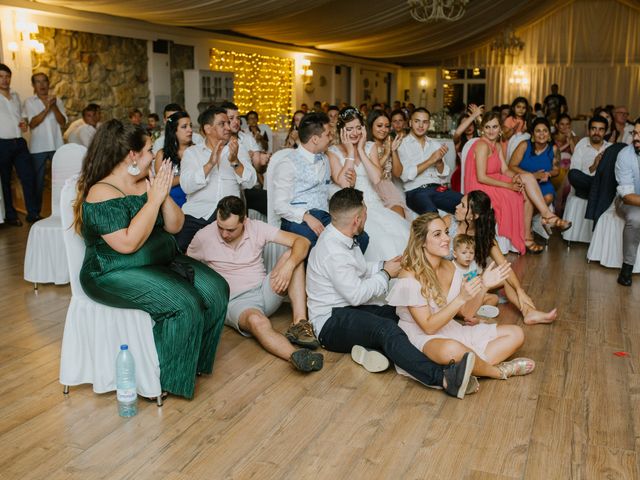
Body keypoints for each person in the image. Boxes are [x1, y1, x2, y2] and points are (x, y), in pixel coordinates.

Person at [73, 119, 229, 399]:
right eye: (148, 150)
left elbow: (176, 226)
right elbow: (128, 242)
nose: (153, 155)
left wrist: (162, 192)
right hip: (111, 272)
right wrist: (153, 200)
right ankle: (167, 379)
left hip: (157, 261)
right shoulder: (101, 192)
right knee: (184, 304)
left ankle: (193, 362)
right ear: (132, 155)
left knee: (217, 289)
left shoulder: (144, 182)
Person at [306, 188, 478, 399]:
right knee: (385, 329)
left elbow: (357, 269)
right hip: (329, 322)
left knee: (399, 313)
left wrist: (384, 264)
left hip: (347, 310)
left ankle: (407, 352)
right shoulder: (332, 250)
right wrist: (387, 273)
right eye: (366, 212)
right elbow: (357, 295)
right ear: (357, 219)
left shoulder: (341, 236)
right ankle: (443, 378)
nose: (368, 216)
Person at [387, 213, 534, 382]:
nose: (446, 238)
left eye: (446, 232)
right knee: (452, 349)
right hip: (421, 336)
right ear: (422, 242)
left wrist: (484, 285)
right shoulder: (409, 275)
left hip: (451, 329)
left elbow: (467, 313)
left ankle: (467, 368)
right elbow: (428, 327)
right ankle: (498, 371)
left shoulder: (450, 267)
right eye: (437, 234)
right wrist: (460, 298)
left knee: (516, 333)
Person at [188, 195, 323, 371]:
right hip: (236, 302)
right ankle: (296, 356)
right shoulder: (204, 236)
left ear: (244, 221)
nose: (224, 234)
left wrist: (288, 266)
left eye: (230, 230)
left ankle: (299, 323)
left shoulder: (256, 227)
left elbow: (303, 242)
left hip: (265, 291)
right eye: (220, 227)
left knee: (293, 256)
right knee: (257, 321)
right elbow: (185, 266)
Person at [465, 112, 570, 255]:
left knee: (526, 179)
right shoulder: (482, 145)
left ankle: (543, 219)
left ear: (500, 129)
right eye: (488, 127)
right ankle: (536, 227)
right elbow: (481, 177)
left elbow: (505, 170)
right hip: (480, 185)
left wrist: (520, 178)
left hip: (494, 180)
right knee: (520, 191)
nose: (491, 131)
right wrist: (509, 185)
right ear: (482, 129)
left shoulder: (496, 144)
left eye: (495, 127)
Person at [449, 191, 558, 324]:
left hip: (470, 278)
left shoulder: (485, 238)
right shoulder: (448, 223)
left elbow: (505, 266)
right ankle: (476, 306)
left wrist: (520, 290)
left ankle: (528, 312)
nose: (456, 207)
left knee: (504, 276)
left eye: (462, 206)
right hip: (450, 281)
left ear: (474, 216)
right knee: (492, 294)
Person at [272, 112, 368, 253]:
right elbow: (279, 205)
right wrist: (306, 216)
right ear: (315, 139)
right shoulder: (287, 164)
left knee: (361, 238)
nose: (331, 138)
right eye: (328, 135)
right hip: (297, 220)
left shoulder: (324, 159)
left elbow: (329, 187)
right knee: (317, 243)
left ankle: (344, 272)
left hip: (324, 215)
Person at [328, 107, 409, 262]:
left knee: (398, 235)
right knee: (380, 241)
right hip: (354, 207)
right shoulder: (332, 152)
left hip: (376, 204)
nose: (355, 133)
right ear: (341, 131)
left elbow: (377, 178)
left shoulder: (370, 147)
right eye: (349, 129)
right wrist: (351, 152)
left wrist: (360, 150)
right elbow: (345, 184)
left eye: (358, 128)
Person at [177, 106, 257, 251]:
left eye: (228, 123)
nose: (228, 127)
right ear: (208, 128)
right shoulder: (192, 153)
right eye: (222, 124)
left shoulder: (238, 149)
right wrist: (210, 164)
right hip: (197, 216)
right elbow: (186, 186)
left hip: (230, 218)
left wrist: (235, 161)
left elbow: (251, 182)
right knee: (178, 251)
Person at [397, 108, 462, 214]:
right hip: (415, 191)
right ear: (410, 123)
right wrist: (431, 160)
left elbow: (443, 175)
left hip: (437, 188)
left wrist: (439, 162)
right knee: (431, 213)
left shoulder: (435, 144)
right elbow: (405, 175)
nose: (421, 126)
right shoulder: (402, 145)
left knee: (468, 203)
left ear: (429, 124)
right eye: (417, 121)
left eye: (425, 122)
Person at [0, 63, 39, 225]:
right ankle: (11, 215)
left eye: (7, 76)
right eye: (1, 77)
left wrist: (23, 123)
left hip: (20, 142)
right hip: (2, 144)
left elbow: (21, 118)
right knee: (5, 180)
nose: (5, 80)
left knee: (29, 177)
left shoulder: (16, 96)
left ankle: (33, 214)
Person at [24, 72, 67, 216]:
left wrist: (54, 107)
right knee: (38, 182)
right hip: (38, 148)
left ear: (48, 83)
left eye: (44, 81)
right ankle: (35, 213)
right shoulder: (29, 102)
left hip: (57, 145)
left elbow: (63, 122)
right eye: (38, 82)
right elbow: (33, 123)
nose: (42, 85)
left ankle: (62, 211)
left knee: (61, 181)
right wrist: (47, 108)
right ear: (33, 85)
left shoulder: (57, 101)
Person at [222, 101, 269, 216]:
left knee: (271, 198)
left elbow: (259, 168)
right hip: (225, 187)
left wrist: (262, 162)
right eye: (231, 118)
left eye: (238, 118)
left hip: (247, 186)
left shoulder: (247, 139)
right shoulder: (218, 141)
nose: (236, 122)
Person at [365, 109, 409, 218]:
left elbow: (398, 173)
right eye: (379, 126)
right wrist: (386, 153)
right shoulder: (365, 146)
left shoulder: (389, 143)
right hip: (371, 187)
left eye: (387, 126)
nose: (384, 130)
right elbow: (374, 174)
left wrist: (393, 151)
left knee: (399, 216)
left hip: (388, 188)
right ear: (371, 126)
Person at [509, 117, 561, 206]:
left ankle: (530, 217)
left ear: (549, 135)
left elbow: (556, 170)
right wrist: (532, 176)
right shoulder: (524, 145)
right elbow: (511, 166)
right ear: (533, 134)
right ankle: (524, 218)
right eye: (538, 131)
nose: (542, 134)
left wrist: (548, 174)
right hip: (523, 182)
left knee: (548, 197)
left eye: (545, 131)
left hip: (543, 183)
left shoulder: (554, 149)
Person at [614, 118, 640, 286]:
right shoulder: (625, 155)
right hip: (627, 201)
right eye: (635, 133)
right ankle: (626, 269)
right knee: (636, 218)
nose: (636, 137)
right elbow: (627, 195)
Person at [154, 111, 193, 207]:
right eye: (184, 127)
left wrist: (173, 180)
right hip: (170, 202)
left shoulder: (197, 151)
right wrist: (185, 177)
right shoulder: (162, 154)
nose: (190, 130)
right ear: (174, 131)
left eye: (190, 126)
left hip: (193, 200)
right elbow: (161, 184)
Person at [567, 115, 610, 199]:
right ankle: (595, 190)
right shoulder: (581, 146)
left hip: (603, 184)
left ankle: (592, 191)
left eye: (601, 130)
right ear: (589, 130)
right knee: (573, 174)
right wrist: (594, 166)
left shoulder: (610, 148)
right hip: (586, 183)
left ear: (605, 132)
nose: (597, 133)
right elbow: (575, 173)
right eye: (594, 129)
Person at [452, 233, 499, 308]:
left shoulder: (473, 264)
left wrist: (480, 280)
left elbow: (479, 276)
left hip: (475, 294)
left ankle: (481, 311)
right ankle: (474, 312)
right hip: (461, 298)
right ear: (455, 254)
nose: (468, 256)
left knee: (494, 298)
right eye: (464, 253)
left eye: (471, 253)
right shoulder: (452, 267)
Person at [450, 104, 483, 192]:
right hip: (461, 175)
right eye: (465, 124)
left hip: (479, 173)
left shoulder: (481, 139)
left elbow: (488, 130)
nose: (468, 127)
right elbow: (457, 133)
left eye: (470, 124)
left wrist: (478, 117)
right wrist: (473, 116)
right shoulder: (459, 141)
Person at [552, 113, 577, 213]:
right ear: (557, 125)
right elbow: (554, 152)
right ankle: (557, 210)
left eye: (567, 124)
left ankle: (565, 210)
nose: (565, 127)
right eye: (562, 124)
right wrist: (566, 143)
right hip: (556, 164)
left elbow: (576, 153)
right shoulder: (552, 137)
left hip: (570, 165)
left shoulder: (574, 137)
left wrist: (570, 140)